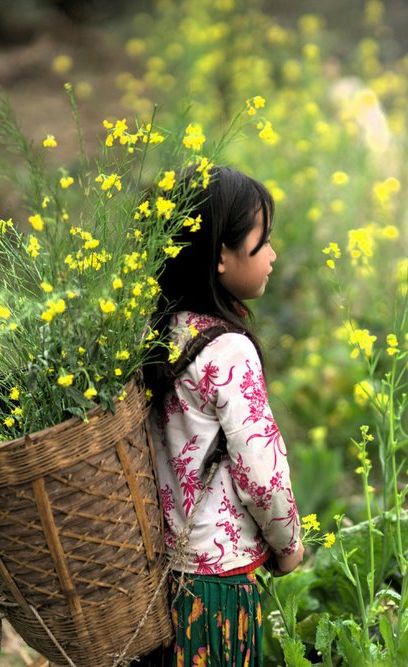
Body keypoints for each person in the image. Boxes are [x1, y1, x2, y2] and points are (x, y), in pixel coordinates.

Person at [145, 165, 304, 667]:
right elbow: (262, 475)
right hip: (217, 583)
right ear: (220, 255)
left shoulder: (158, 334)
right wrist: (289, 545)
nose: (274, 256)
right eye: (263, 243)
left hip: (155, 572)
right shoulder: (228, 349)